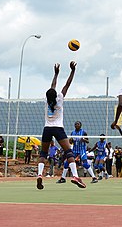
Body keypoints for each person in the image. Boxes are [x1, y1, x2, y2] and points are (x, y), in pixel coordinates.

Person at [35, 62, 85, 191]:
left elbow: (52, 87)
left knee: (43, 153)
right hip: (58, 128)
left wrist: (56, 74)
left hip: (47, 128)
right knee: (69, 152)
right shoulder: (60, 99)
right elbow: (67, 85)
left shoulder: (47, 101)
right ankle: (75, 176)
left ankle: (40, 174)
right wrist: (72, 71)